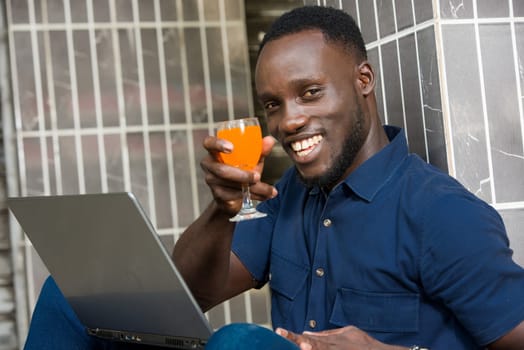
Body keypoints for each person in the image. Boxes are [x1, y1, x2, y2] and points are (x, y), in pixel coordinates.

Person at [22, 5, 524, 350]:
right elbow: (193, 294)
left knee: (241, 342)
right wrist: (222, 211)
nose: (287, 122)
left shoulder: (440, 211)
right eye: (272, 104)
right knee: (72, 296)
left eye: (309, 92)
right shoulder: (288, 197)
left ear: (363, 81)